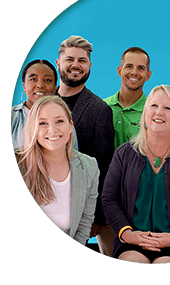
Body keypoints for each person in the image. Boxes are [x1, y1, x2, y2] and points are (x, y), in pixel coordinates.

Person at [102, 85, 170, 264]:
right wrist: (127, 233)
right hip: (134, 240)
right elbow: (109, 198)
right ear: (145, 114)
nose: (159, 113)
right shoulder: (125, 153)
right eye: (153, 106)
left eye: (167, 108)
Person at [55, 35, 114, 255]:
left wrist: (98, 219)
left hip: (83, 209)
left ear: (89, 66)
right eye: (70, 59)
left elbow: (104, 167)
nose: (76, 65)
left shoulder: (100, 110)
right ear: (58, 62)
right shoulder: (42, 105)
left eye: (82, 60)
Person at [16, 96, 99, 245]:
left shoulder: (89, 166)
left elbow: (85, 220)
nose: (52, 130)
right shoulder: (19, 163)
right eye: (42, 123)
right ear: (32, 128)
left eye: (59, 121)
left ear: (70, 125)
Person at [11, 59, 79, 151]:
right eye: (33, 79)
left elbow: (72, 155)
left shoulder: (65, 117)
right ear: (24, 86)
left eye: (47, 80)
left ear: (55, 86)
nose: (40, 85)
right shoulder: (12, 116)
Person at [104, 47, 152, 149]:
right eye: (129, 66)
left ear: (148, 75)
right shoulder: (102, 106)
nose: (134, 72)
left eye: (141, 68)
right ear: (119, 70)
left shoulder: (152, 112)